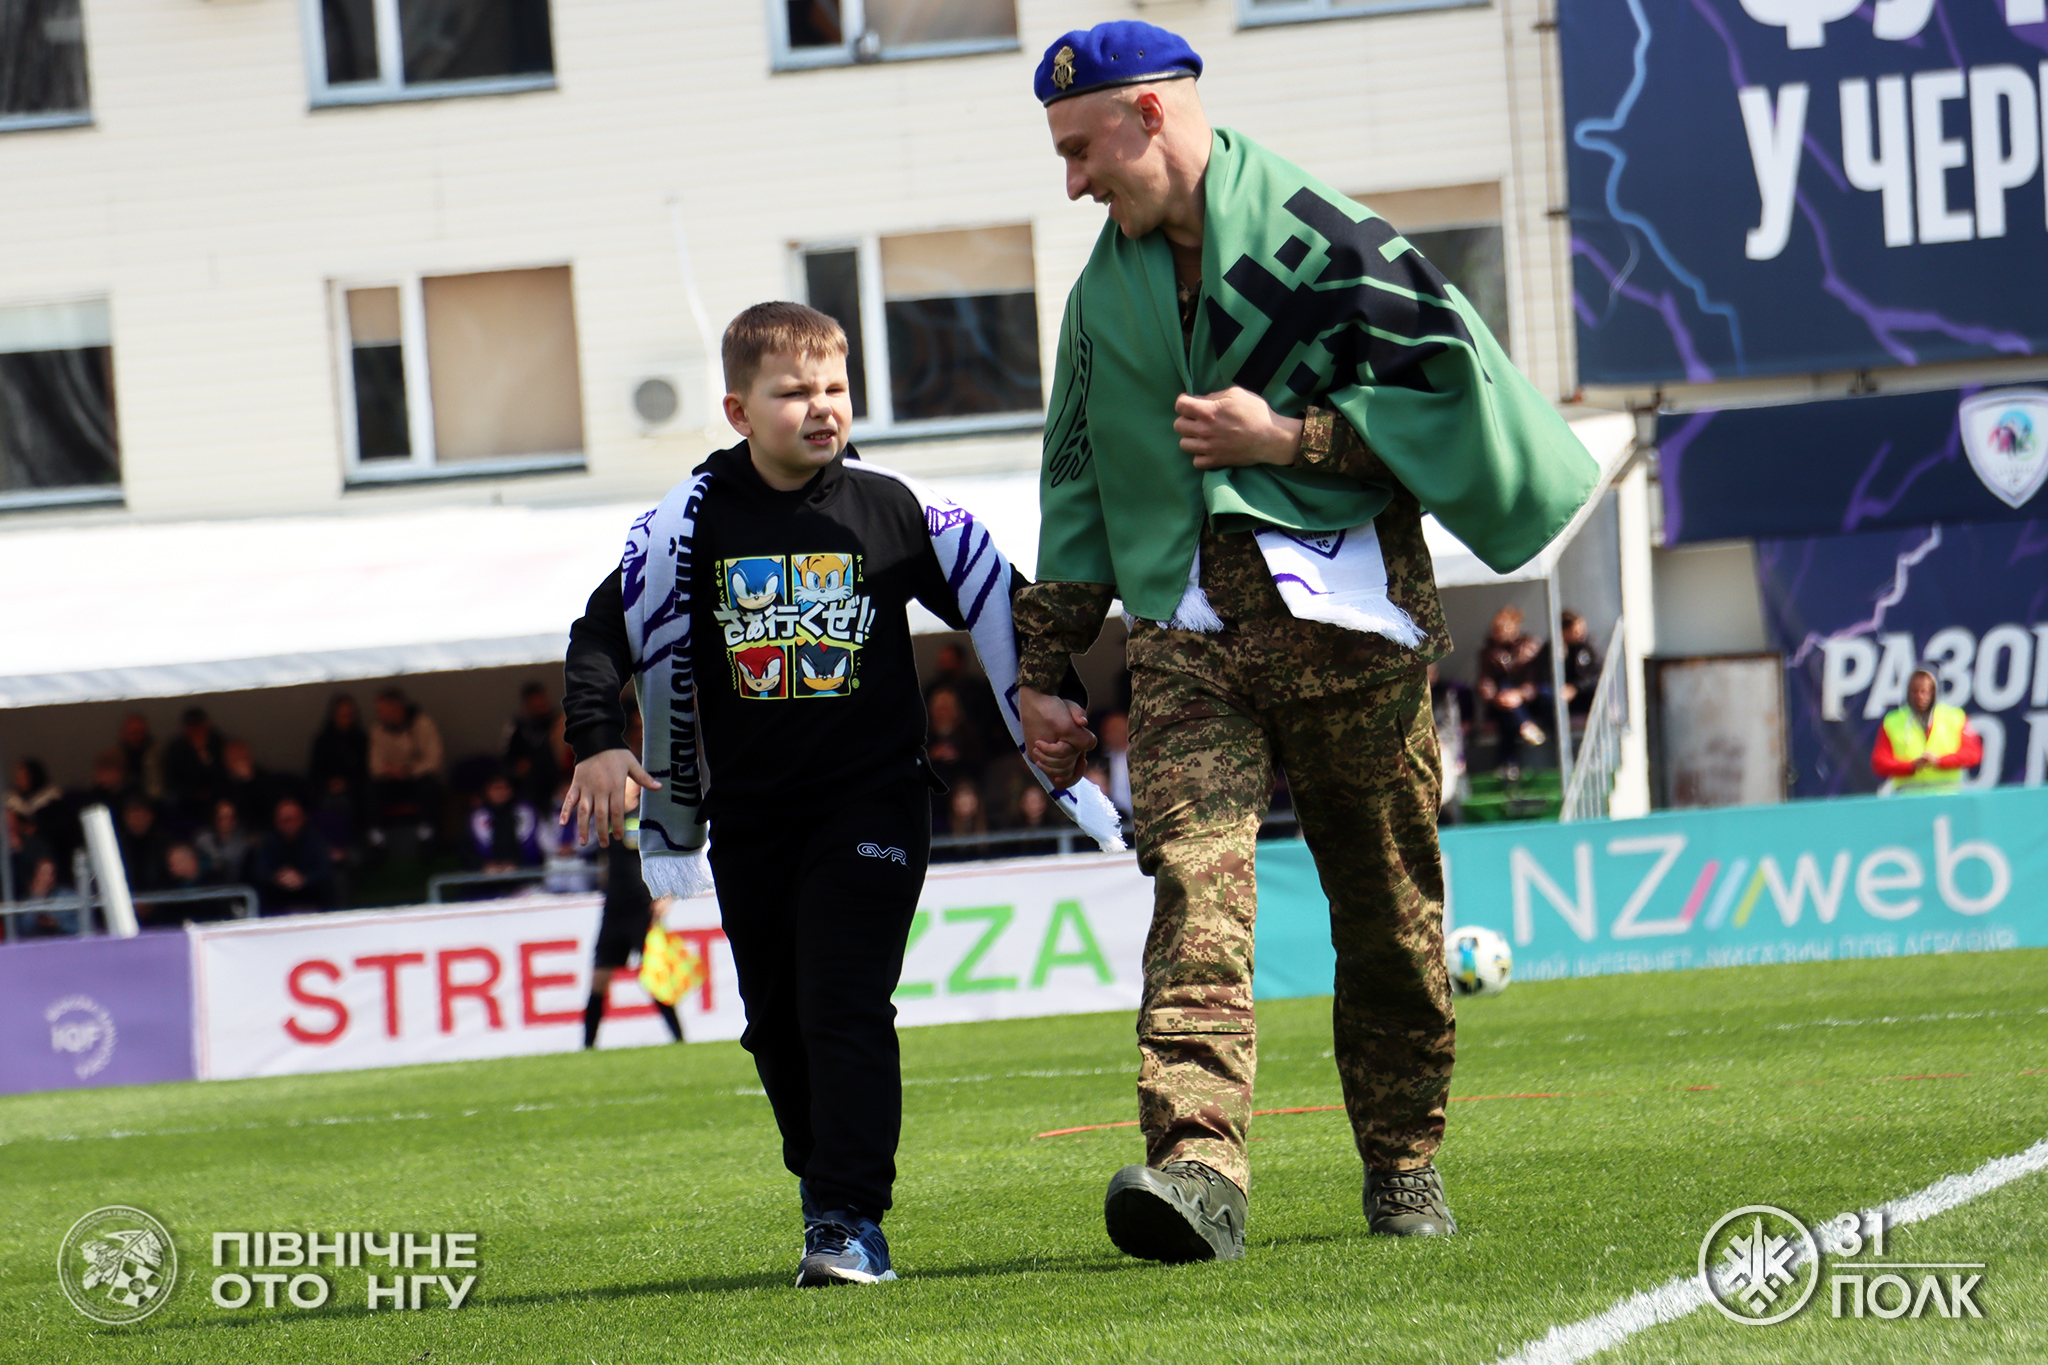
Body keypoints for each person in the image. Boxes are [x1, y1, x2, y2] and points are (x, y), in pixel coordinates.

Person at [1013, 23, 1596, 1260]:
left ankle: (1402, 1165)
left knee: (1385, 916)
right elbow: (1074, 477)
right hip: (1183, 640)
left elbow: (1447, 415)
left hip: (1351, 638)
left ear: (1150, 116)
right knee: (1194, 889)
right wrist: (1041, 667)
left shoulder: (1328, 242)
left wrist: (1287, 442)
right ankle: (1198, 1173)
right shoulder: (1097, 295)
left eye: (1080, 151)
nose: (1071, 182)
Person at [559, 302, 1042, 1288]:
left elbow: (1009, 607)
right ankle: (824, 1201)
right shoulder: (681, 528)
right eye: (794, 393)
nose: (822, 409)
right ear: (738, 408)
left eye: (835, 387)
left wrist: (1050, 691)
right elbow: (598, 633)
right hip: (751, 818)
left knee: (840, 1001)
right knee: (772, 1023)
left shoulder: (893, 511)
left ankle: (850, 1219)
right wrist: (597, 744)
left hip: (872, 802)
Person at [584, 697, 683, 1048]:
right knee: (598, 978)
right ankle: (587, 1049)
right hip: (614, 907)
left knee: (654, 977)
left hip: (644, 906)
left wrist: (666, 896)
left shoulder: (648, 816)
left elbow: (668, 854)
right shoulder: (606, 816)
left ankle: (679, 1039)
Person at [1871, 668, 1982, 792]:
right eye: (1915, 691)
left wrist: (1939, 761)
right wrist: (1911, 766)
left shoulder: (1955, 717)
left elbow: (1972, 754)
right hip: (1909, 800)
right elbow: (1880, 763)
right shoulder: (1893, 721)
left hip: (1946, 799)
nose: (1920, 696)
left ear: (1934, 692)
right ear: (1908, 693)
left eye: (1925, 691)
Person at [1475, 606, 1548, 781]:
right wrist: (1497, 697)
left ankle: (1507, 764)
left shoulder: (1530, 647)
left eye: (1502, 628)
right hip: (1500, 704)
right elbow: (1485, 681)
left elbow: (1534, 680)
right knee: (1505, 702)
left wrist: (1518, 695)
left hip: (1529, 702)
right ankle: (1525, 727)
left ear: (1514, 627)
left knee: (1507, 710)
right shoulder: (1488, 652)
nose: (1497, 632)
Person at [369, 688, 445, 835]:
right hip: (392, 782)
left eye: (383, 710)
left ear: (397, 708)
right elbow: (375, 766)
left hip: (417, 781)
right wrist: (392, 771)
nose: (380, 714)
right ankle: (376, 837)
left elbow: (434, 761)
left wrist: (408, 770)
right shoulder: (377, 729)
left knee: (430, 785)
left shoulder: (423, 724)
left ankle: (427, 835)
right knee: (371, 788)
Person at [253, 796, 338, 913]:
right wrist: (278, 878)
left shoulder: (314, 839)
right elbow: (260, 871)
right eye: (285, 820)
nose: (290, 824)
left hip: (312, 896)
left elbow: (324, 869)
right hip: (277, 897)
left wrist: (304, 879)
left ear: (302, 819)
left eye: (294, 819)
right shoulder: (269, 840)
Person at [466, 771, 543, 876]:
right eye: (496, 788)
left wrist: (518, 863)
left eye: (505, 788)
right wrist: (483, 865)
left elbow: (535, 845)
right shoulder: (476, 816)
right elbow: (467, 850)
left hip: (523, 877)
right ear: (487, 791)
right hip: (486, 881)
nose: (501, 792)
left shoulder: (524, 812)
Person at [161, 706, 226, 823]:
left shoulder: (219, 744)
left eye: (199, 726)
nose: (196, 731)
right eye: (191, 727)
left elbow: (222, 774)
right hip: (187, 796)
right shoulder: (176, 748)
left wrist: (204, 755)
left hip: (215, 793)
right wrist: (194, 793)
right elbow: (172, 779)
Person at [504, 681, 564, 807]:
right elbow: (509, 760)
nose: (540, 704)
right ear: (526, 704)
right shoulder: (517, 727)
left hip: (559, 780)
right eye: (534, 702)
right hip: (529, 786)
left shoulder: (559, 722)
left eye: (542, 700)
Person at [923, 685, 986, 795]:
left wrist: (957, 756)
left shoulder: (967, 733)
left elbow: (980, 764)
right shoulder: (923, 735)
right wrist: (931, 756)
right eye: (939, 709)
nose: (942, 714)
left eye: (946, 709)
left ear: (956, 711)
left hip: (962, 787)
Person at [1554, 610, 1602, 721]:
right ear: (1564, 632)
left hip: (1582, 693)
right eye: (1576, 631)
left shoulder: (1589, 647)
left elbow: (1597, 674)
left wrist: (1576, 688)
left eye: (1582, 629)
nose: (1581, 633)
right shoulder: (1555, 648)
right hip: (1562, 695)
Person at [195, 798, 255, 884]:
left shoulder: (245, 842)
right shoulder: (202, 840)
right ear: (214, 818)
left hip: (237, 887)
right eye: (222, 817)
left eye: (231, 817)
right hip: (209, 888)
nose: (226, 821)